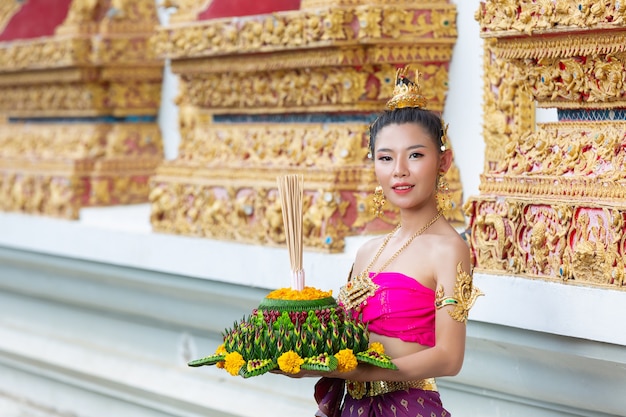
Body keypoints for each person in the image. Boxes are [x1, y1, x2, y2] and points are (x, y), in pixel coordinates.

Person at [311, 66, 483, 417]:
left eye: (415, 155)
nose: (399, 170)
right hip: (354, 408)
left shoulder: (449, 249)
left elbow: (449, 358)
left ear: (443, 161)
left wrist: (363, 371)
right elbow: (348, 343)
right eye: (386, 157)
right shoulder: (366, 252)